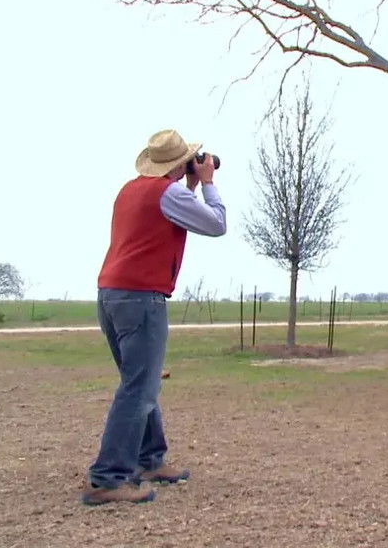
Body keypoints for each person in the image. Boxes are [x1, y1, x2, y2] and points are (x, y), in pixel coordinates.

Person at [84, 130, 226, 506]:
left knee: (139, 381)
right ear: (180, 164)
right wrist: (208, 184)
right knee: (138, 388)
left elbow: (172, 211)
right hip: (141, 297)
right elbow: (215, 224)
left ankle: (149, 459)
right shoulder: (169, 193)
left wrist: (190, 185)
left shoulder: (131, 190)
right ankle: (107, 477)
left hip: (111, 295)